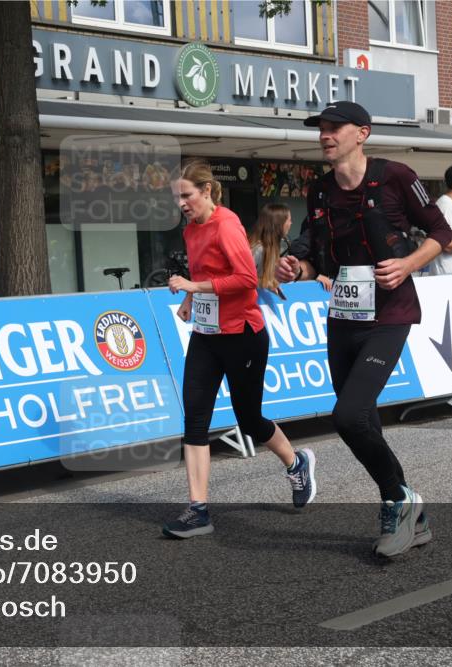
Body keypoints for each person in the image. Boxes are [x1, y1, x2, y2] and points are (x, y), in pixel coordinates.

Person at [275, 101, 452, 558]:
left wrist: (408, 264)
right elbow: (316, 253)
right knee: (364, 419)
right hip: (343, 316)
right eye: (321, 129)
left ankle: (400, 500)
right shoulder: (318, 191)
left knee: (348, 415)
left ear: (363, 133)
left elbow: (440, 231)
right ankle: (407, 509)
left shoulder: (395, 175)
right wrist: (296, 268)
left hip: (390, 316)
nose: (325, 135)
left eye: (335, 128)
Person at [162, 159, 317, 539]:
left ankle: (297, 463)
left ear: (208, 191)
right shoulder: (191, 232)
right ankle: (198, 510)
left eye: (187, 195)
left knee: (249, 420)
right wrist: (189, 301)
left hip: (243, 334)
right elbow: (204, 273)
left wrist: (193, 287)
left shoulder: (226, 224)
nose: (182, 203)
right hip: (206, 334)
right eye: (177, 197)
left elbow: (247, 279)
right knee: (194, 420)